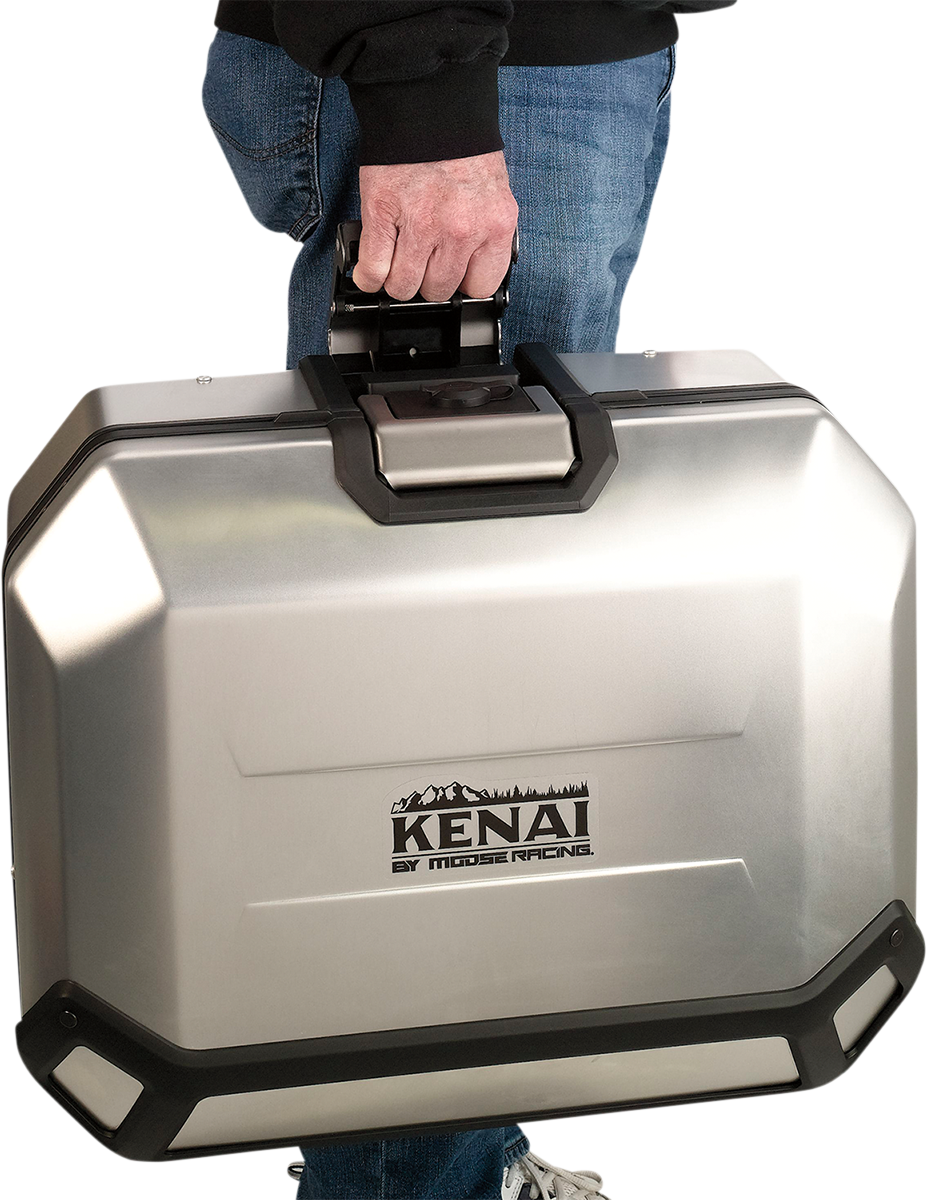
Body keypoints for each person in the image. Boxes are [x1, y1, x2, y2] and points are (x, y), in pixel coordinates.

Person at [201, 3, 738, 1196]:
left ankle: (454, 1152)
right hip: (477, 62)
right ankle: (408, 1181)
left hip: (552, 52)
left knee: (494, 693)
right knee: (435, 725)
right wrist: (424, 91)